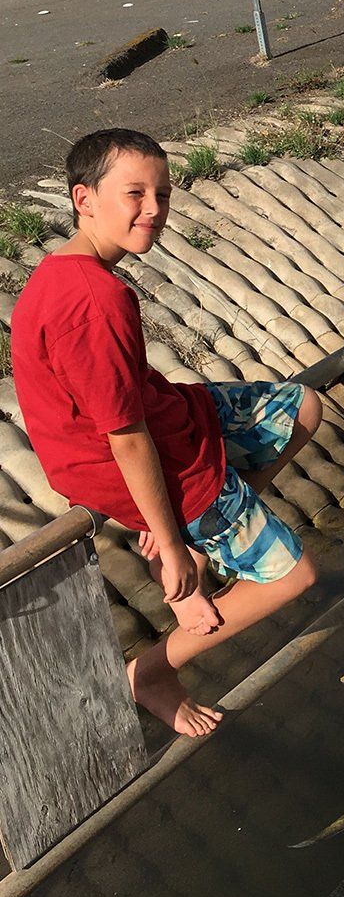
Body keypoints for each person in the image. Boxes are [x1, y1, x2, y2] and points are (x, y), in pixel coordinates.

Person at [10, 128, 321, 737]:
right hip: (142, 463)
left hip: (167, 418)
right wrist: (169, 544)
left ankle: (207, 528)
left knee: (302, 406)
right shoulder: (93, 302)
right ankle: (151, 672)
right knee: (295, 577)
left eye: (162, 193)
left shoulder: (66, 271)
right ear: (84, 198)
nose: (154, 209)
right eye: (134, 193)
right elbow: (124, 438)